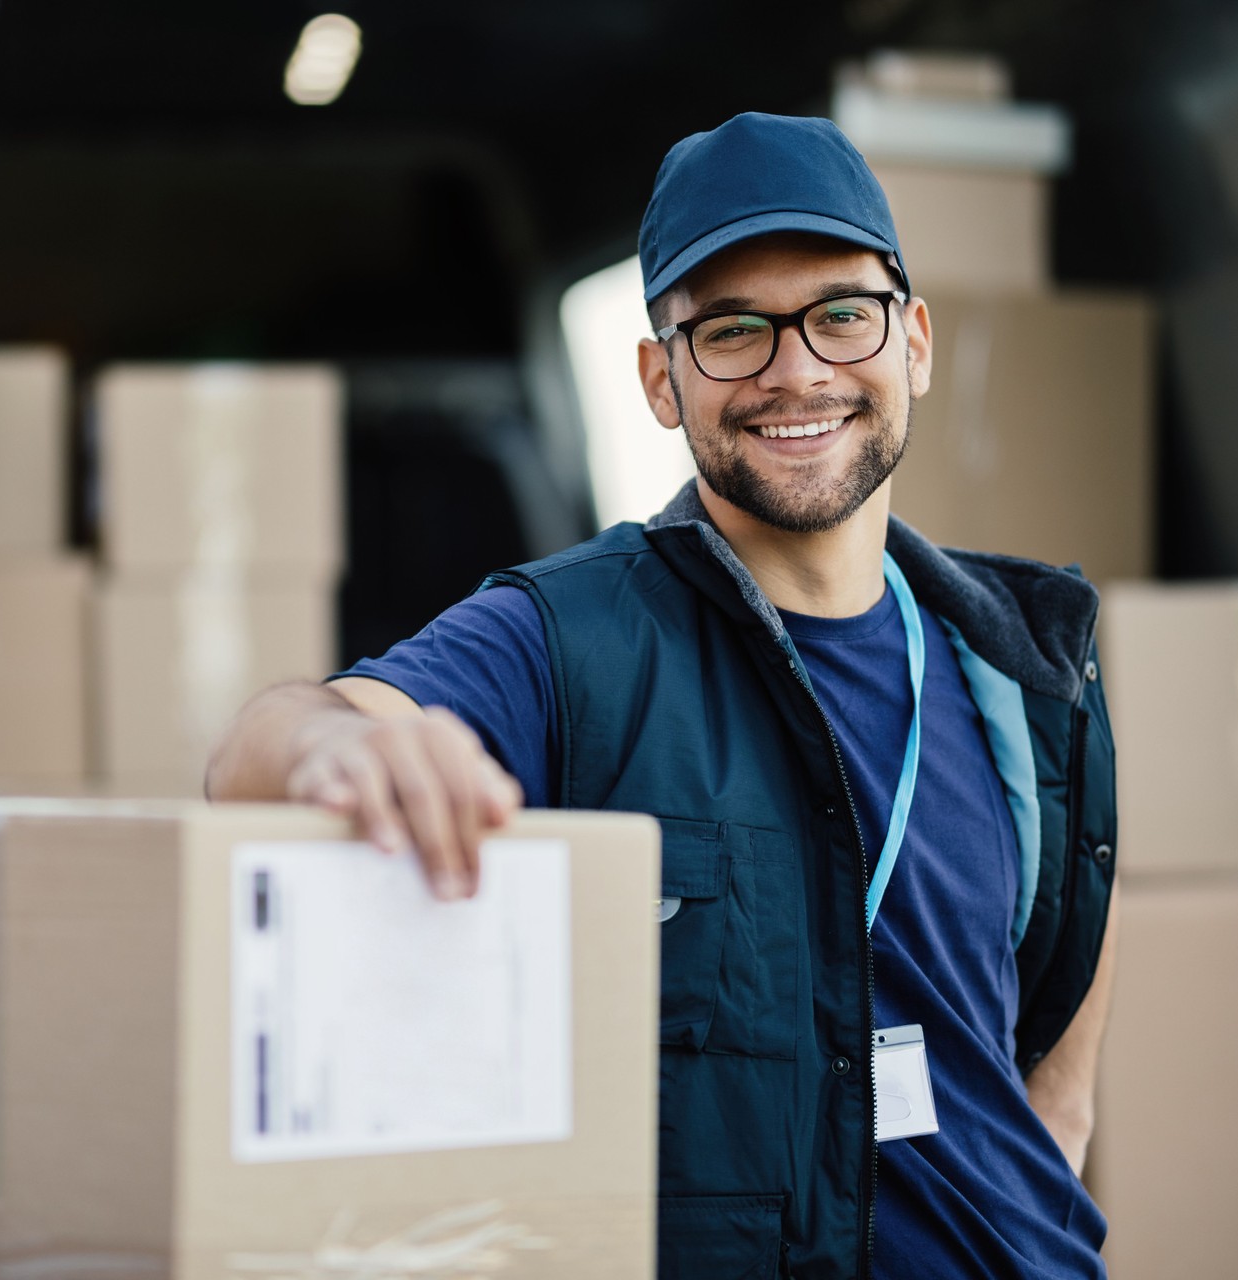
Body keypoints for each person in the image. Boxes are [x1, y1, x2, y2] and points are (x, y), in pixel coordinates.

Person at [208, 112, 1118, 1279]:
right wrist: (330, 752)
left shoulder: (1031, 670)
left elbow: (1057, 1092)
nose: (800, 369)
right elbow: (260, 746)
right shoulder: (567, 639)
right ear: (658, 378)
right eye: (735, 330)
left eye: (843, 314)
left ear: (915, 343)